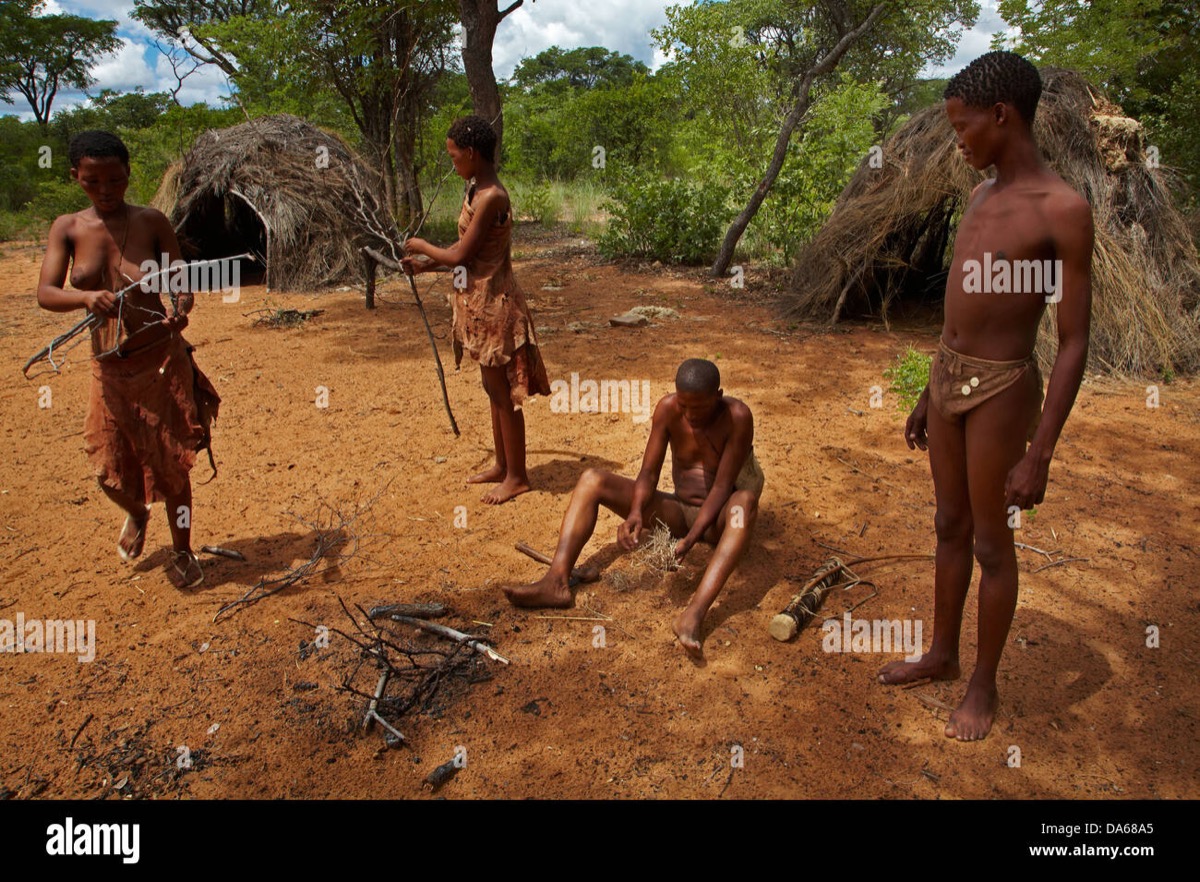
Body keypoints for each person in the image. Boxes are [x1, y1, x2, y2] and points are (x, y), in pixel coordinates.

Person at [876, 51, 1093, 740]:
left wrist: (1042, 452)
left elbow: (1072, 341)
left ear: (1003, 116)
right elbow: (957, 311)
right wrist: (926, 392)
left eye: (964, 127)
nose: (958, 140)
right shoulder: (979, 197)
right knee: (948, 525)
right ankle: (940, 653)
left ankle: (982, 683)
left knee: (994, 545)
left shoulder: (1061, 210)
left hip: (1003, 390)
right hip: (946, 379)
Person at [36, 130, 220, 589]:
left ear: (127, 175)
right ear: (76, 176)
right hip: (109, 367)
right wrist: (83, 299)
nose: (106, 190)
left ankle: (182, 551)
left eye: (115, 180)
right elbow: (46, 293)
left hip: (160, 360)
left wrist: (181, 306)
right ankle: (137, 512)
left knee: (174, 465)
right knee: (109, 469)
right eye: (93, 181)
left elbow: (180, 279)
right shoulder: (68, 227)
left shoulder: (151, 221)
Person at [503, 358, 764, 659]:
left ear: (718, 397)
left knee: (743, 503)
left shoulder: (737, 416)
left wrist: (691, 539)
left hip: (719, 519)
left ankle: (692, 614)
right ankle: (556, 580)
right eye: (684, 406)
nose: (690, 415)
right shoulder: (668, 409)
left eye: (700, 408)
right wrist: (636, 512)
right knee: (592, 479)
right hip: (678, 512)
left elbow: (721, 488)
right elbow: (649, 473)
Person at [403, 115, 550, 505]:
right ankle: (503, 465)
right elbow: (467, 255)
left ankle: (517, 476)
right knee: (491, 387)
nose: (453, 164)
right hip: (476, 301)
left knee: (503, 392)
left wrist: (421, 246)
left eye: (454, 157)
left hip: (494, 302)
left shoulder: (492, 197)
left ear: (471, 153)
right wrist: (428, 266)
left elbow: (462, 253)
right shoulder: (474, 189)